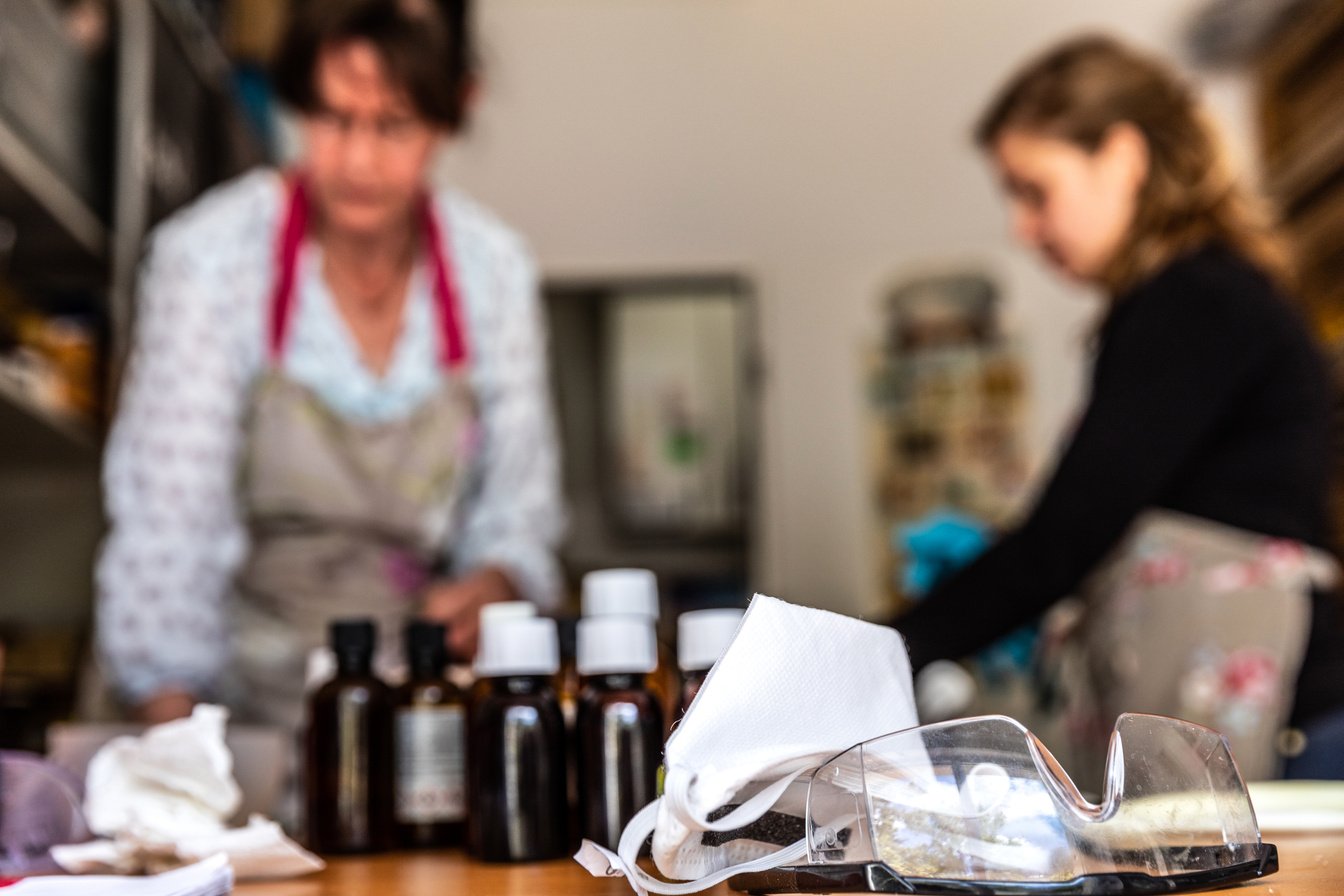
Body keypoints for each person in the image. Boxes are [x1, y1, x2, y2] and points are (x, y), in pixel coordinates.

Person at [93, 0, 565, 732]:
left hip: (419, 718)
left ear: (455, 109)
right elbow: (167, 537)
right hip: (228, 716)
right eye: (333, 118)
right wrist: (178, 763)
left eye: (394, 124)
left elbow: (520, 508)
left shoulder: (492, 271)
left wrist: (500, 578)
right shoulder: (212, 259)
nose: (357, 160)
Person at [896, 34, 1344, 780]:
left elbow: (1065, 536)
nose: (1021, 227)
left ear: (1123, 156)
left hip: (1302, 737)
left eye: (1035, 191)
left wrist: (883, 646)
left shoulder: (1198, 298)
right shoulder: (1187, 300)